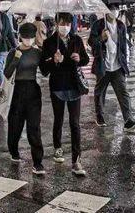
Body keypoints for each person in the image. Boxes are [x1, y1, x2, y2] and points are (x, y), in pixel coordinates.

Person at [40, 13, 90, 176]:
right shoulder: (49, 42)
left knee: (75, 123)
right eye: (62, 23)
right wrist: (53, 61)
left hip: (74, 85)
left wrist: (79, 58)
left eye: (68, 23)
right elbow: (43, 69)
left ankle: (77, 160)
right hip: (58, 86)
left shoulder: (76, 40)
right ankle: (58, 147)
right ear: (56, 23)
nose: (65, 26)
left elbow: (85, 59)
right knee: (59, 119)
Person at [3, 23, 46, 175]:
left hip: (33, 90)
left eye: (31, 37)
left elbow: (45, 72)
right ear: (20, 36)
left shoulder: (37, 52)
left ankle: (38, 162)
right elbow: (7, 74)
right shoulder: (13, 52)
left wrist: (54, 59)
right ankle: (14, 151)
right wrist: (15, 59)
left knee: (34, 127)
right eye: (26, 37)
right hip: (17, 91)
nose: (28, 40)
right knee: (15, 124)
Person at [89, 8, 135, 133]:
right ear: (106, 10)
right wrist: (101, 38)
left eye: (116, 8)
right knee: (100, 92)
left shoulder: (121, 25)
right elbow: (91, 42)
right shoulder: (99, 25)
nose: (114, 11)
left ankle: (128, 120)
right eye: (111, 8)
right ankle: (100, 116)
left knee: (123, 92)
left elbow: (123, 46)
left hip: (117, 66)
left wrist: (124, 62)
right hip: (103, 66)